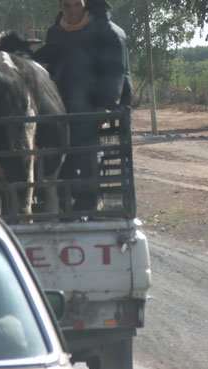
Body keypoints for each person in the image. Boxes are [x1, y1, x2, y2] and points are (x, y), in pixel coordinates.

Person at [35, 0, 132, 211]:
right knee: (62, 153)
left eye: (76, 5)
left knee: (87, 153)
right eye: (66, 6)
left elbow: (115, 70)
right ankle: (64, 204)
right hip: (61, 103)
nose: (71, 11)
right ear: (60, 6)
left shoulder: (107, 31)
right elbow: (50, 60)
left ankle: (89, 204)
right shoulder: (56, 31)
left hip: (92, 105)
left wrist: (105, 104)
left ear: (85, 4)